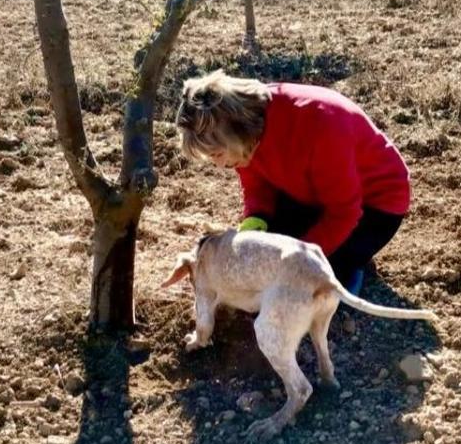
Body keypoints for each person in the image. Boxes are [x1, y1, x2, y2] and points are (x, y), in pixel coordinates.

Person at [175, 70, 411, 295]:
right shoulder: (244, 133)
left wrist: (296, 260)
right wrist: (256, 219)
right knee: (262, 260)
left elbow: (344, 212)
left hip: (373, 206)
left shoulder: (320, 123)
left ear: (234, 133)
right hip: (310, 194)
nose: (219, 165)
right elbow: (256, 183)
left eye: (217, 155)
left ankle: (349, 264)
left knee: (300, 282)